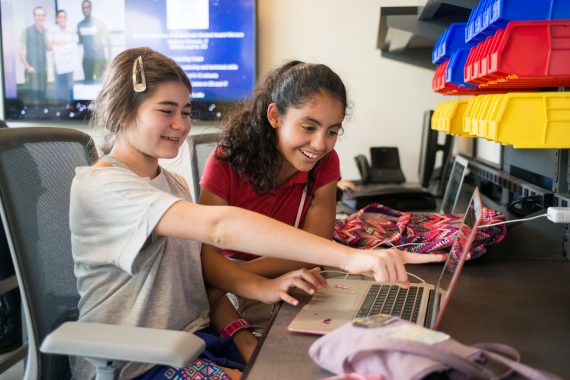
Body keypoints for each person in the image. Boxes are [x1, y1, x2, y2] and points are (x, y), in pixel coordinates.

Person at [70, 47, 442, 380]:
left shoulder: (173, 185)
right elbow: (219, 228)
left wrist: (265, 288)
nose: (181, 124)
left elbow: (200, 272)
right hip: (138, 362)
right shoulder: (102, 186)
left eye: (186, 111)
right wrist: (352, 257)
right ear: (122, 111)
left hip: (193, 342)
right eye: (166, 111)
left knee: (322, 363)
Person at [199, 61, 349, 332]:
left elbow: (315, 247)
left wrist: (235, 281)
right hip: (232, 270)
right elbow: (205, 256)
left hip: (278, 268)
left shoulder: (326, 162)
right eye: (308, 127)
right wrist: (237, 282)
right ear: (275, 117)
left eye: (332, 131)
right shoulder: (225, 160)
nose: (320, 145)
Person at [17, 6, 48, 100]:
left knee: (43, 98)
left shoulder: (46, 32)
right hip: (32, 72)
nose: (40, 17)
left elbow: (49, 48)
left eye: (42, 15)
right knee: (32, 101)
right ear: (34, 16)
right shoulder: (27, 31)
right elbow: (19, 50)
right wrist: (27, 67)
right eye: (38, 15)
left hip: (43, 71)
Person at [77, 0, 111, 82]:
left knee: (102, 85)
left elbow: (108, 41)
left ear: (91, 8)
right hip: (86, 60)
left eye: (87, 7)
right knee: (88, 85)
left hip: (100, 59)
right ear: (82, 9)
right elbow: (80, 41)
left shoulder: (100, 22)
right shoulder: (80, 25)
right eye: (83, 7)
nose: (85, 9)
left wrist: (110, 60)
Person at [47, 10, 77, 101]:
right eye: (60, 17)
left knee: (70, 87)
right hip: (58, 65)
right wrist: (59, 43)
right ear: (57, 18)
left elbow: (75, 45)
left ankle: (70, 107)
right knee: (59, 89)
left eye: (64, 17)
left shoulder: (72, 30)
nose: (62, 19)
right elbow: (48, 46)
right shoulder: (52, 30)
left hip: (69, 65)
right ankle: (61, 108)